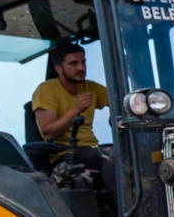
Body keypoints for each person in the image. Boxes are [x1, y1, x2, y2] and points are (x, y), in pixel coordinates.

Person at [32, 41, 113, 189]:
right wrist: (75, 110)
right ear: (59, 69)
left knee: (129, 153)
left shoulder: (91, 87)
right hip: (65, 154)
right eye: (73, 63)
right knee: (112, 160)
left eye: (83, 62)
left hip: (93, 149)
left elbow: (121, 101)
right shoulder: (46, 90)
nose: (81, 68)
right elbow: (49, 134)